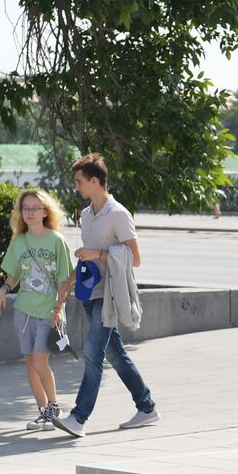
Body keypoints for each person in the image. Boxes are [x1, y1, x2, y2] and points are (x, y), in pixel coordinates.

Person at [52, 153, 159, 438]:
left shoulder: (119, 214)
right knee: (116, 355)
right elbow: (89, 258)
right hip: (90, 292)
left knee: (92, 353)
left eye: (80, 182)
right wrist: (69, 282)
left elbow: (135, 258)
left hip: (111, 295)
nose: (76, 187)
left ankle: (79, 417)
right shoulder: (87, 216)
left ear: (95, 182)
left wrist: (97, 253)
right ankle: (146, 407)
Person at [0, 189, 73, 433]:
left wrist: (59, 309)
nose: (29, 213)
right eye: (25, 208)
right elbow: (15, 273)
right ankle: (43, 412)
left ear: (45, 211)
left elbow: (66, 279)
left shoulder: (56, 240)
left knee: (40, 361)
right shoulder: (18, 241)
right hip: (24, 310)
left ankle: (54, 407)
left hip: (48, 311)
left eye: (34, 208)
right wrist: (3, 290)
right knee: (30, 363)